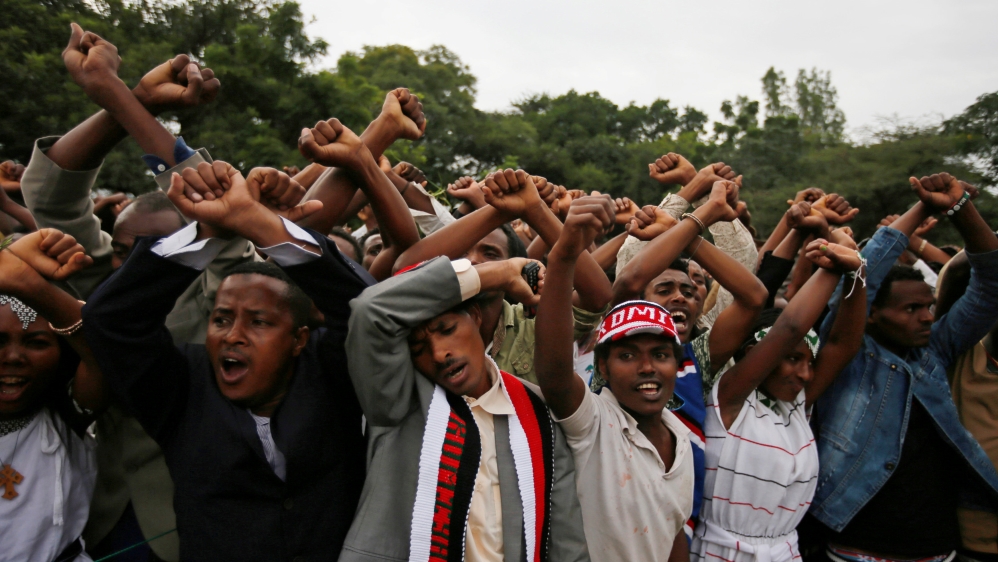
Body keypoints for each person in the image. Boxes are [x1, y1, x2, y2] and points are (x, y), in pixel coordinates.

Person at [81, 130, 376, 559]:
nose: (233, 335)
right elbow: (110, 319)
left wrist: (265, 228)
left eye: (259, 321)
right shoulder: (181, 389)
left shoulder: (330, 371)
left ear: (299, 339)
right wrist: (210, 231)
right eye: (221, 319)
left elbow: (371, 311)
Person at [342, 203, 592, 562]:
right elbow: (370, 311)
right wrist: (497, 273)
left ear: (475, 317)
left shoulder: (535, 413)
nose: (441, 353)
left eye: (447, 330)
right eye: (419, 347)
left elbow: (566, 541)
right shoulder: (401, 402)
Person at [810, 173, 998, 562]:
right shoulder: (846, 355)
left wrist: (962, 209)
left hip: (938, 549)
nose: (927, 318)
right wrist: (923, 207)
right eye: (911, 309)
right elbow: (867, 271)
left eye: (928, 306)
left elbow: (991, 284)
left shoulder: (935, 353)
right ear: (873, 312)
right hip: (858, 549)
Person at [532, 196, 695, 561]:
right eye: (627, 355)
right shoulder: (594, 423)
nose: (647, 367)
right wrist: (564, 255)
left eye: (660, 355)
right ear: (601, 368)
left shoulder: (681, 437)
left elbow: (672, 530)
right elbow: (555, 372)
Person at [691, 233, 866, 562]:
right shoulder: (728, 398)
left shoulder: (796, 404)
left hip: (785, 552)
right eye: (793, 359)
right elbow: (790, 328)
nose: (805, 374)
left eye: (810, 363)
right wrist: (832, 266)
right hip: (720, 553)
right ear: (754, 353)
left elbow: (843, 345)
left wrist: (857, 273)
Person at [612, 179, 769, 537]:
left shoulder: (696, 358)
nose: (681, 297)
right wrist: (696, 205)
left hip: (682, 521)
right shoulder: (614, 358)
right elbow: (631, 272)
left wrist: (691, 236)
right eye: (664, 290)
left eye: (689, 291)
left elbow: (752, 296)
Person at [395, 170, 612, 385]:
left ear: (516, 265)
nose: (473, 261)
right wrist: (500, 210)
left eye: (490, 254)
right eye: (461, 255)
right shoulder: (418, 326)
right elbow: (402, 271)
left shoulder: (531, 327)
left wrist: (535, 209)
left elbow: (597, 296)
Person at [0, 228, 105, 561]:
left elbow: (105, 352)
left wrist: (28, 285)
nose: (14, 357)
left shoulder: (67, 416)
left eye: (37, 343)